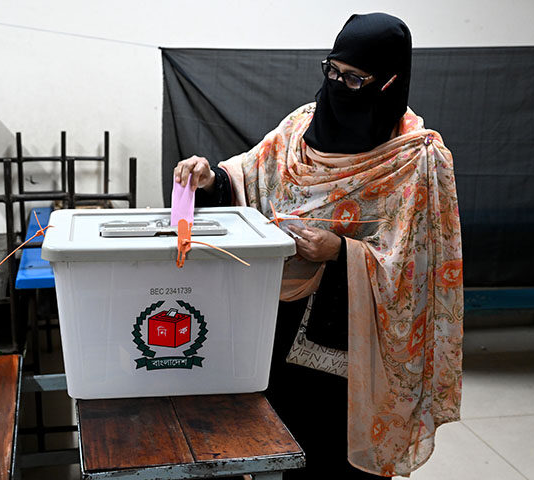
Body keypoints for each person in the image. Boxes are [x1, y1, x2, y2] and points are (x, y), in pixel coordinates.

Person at [173, 13, 463, 479]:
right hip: (279, 322)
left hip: (355, 338)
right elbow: (250, 174)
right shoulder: (301, 126)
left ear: (390, 82)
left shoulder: (417, 160)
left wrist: (342, 252)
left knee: (332, 450)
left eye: (354, 79)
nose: (337, 86)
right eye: (331, 71)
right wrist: (210, 180)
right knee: (278, 439)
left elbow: (420, 267)